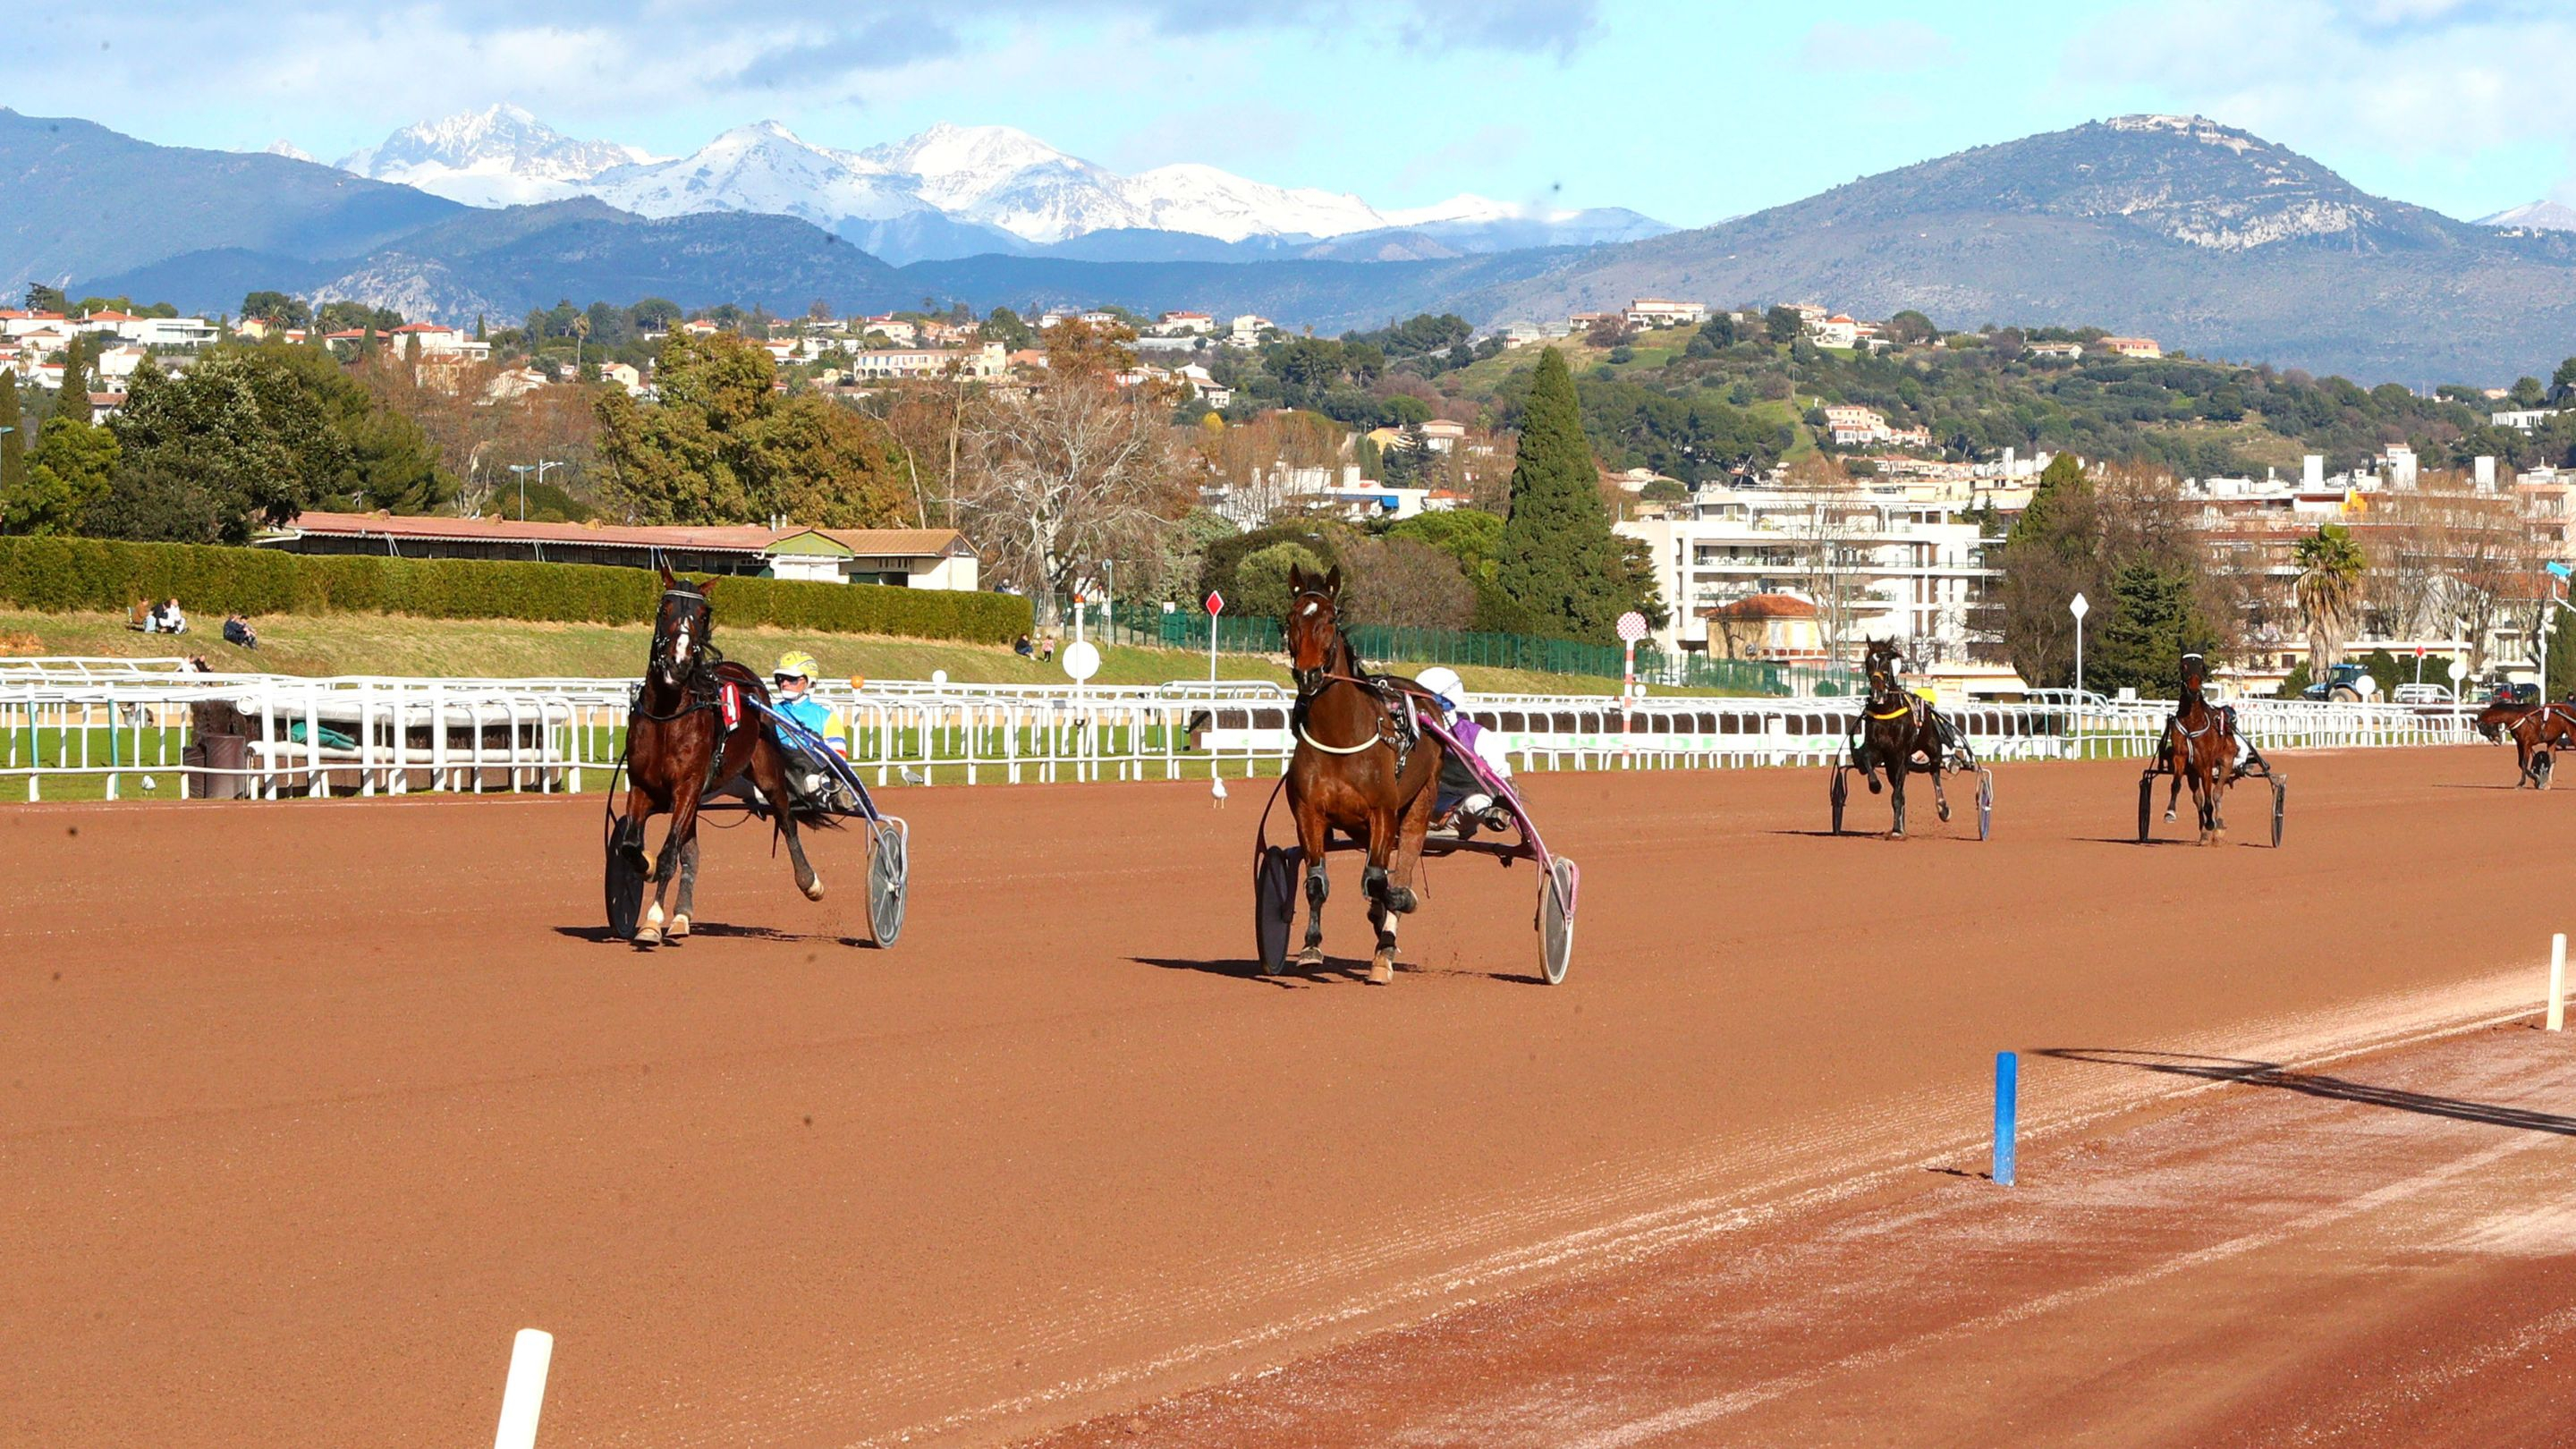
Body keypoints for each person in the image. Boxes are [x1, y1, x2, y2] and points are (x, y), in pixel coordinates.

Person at [1414, 666, 1513, 836]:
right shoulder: (1412, 731)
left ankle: (1491, 817)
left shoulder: (1479, 736)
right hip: (1414, 812)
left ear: (1445, 701)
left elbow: (1503, 777)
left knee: (1476, 802)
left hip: (1456, 815)